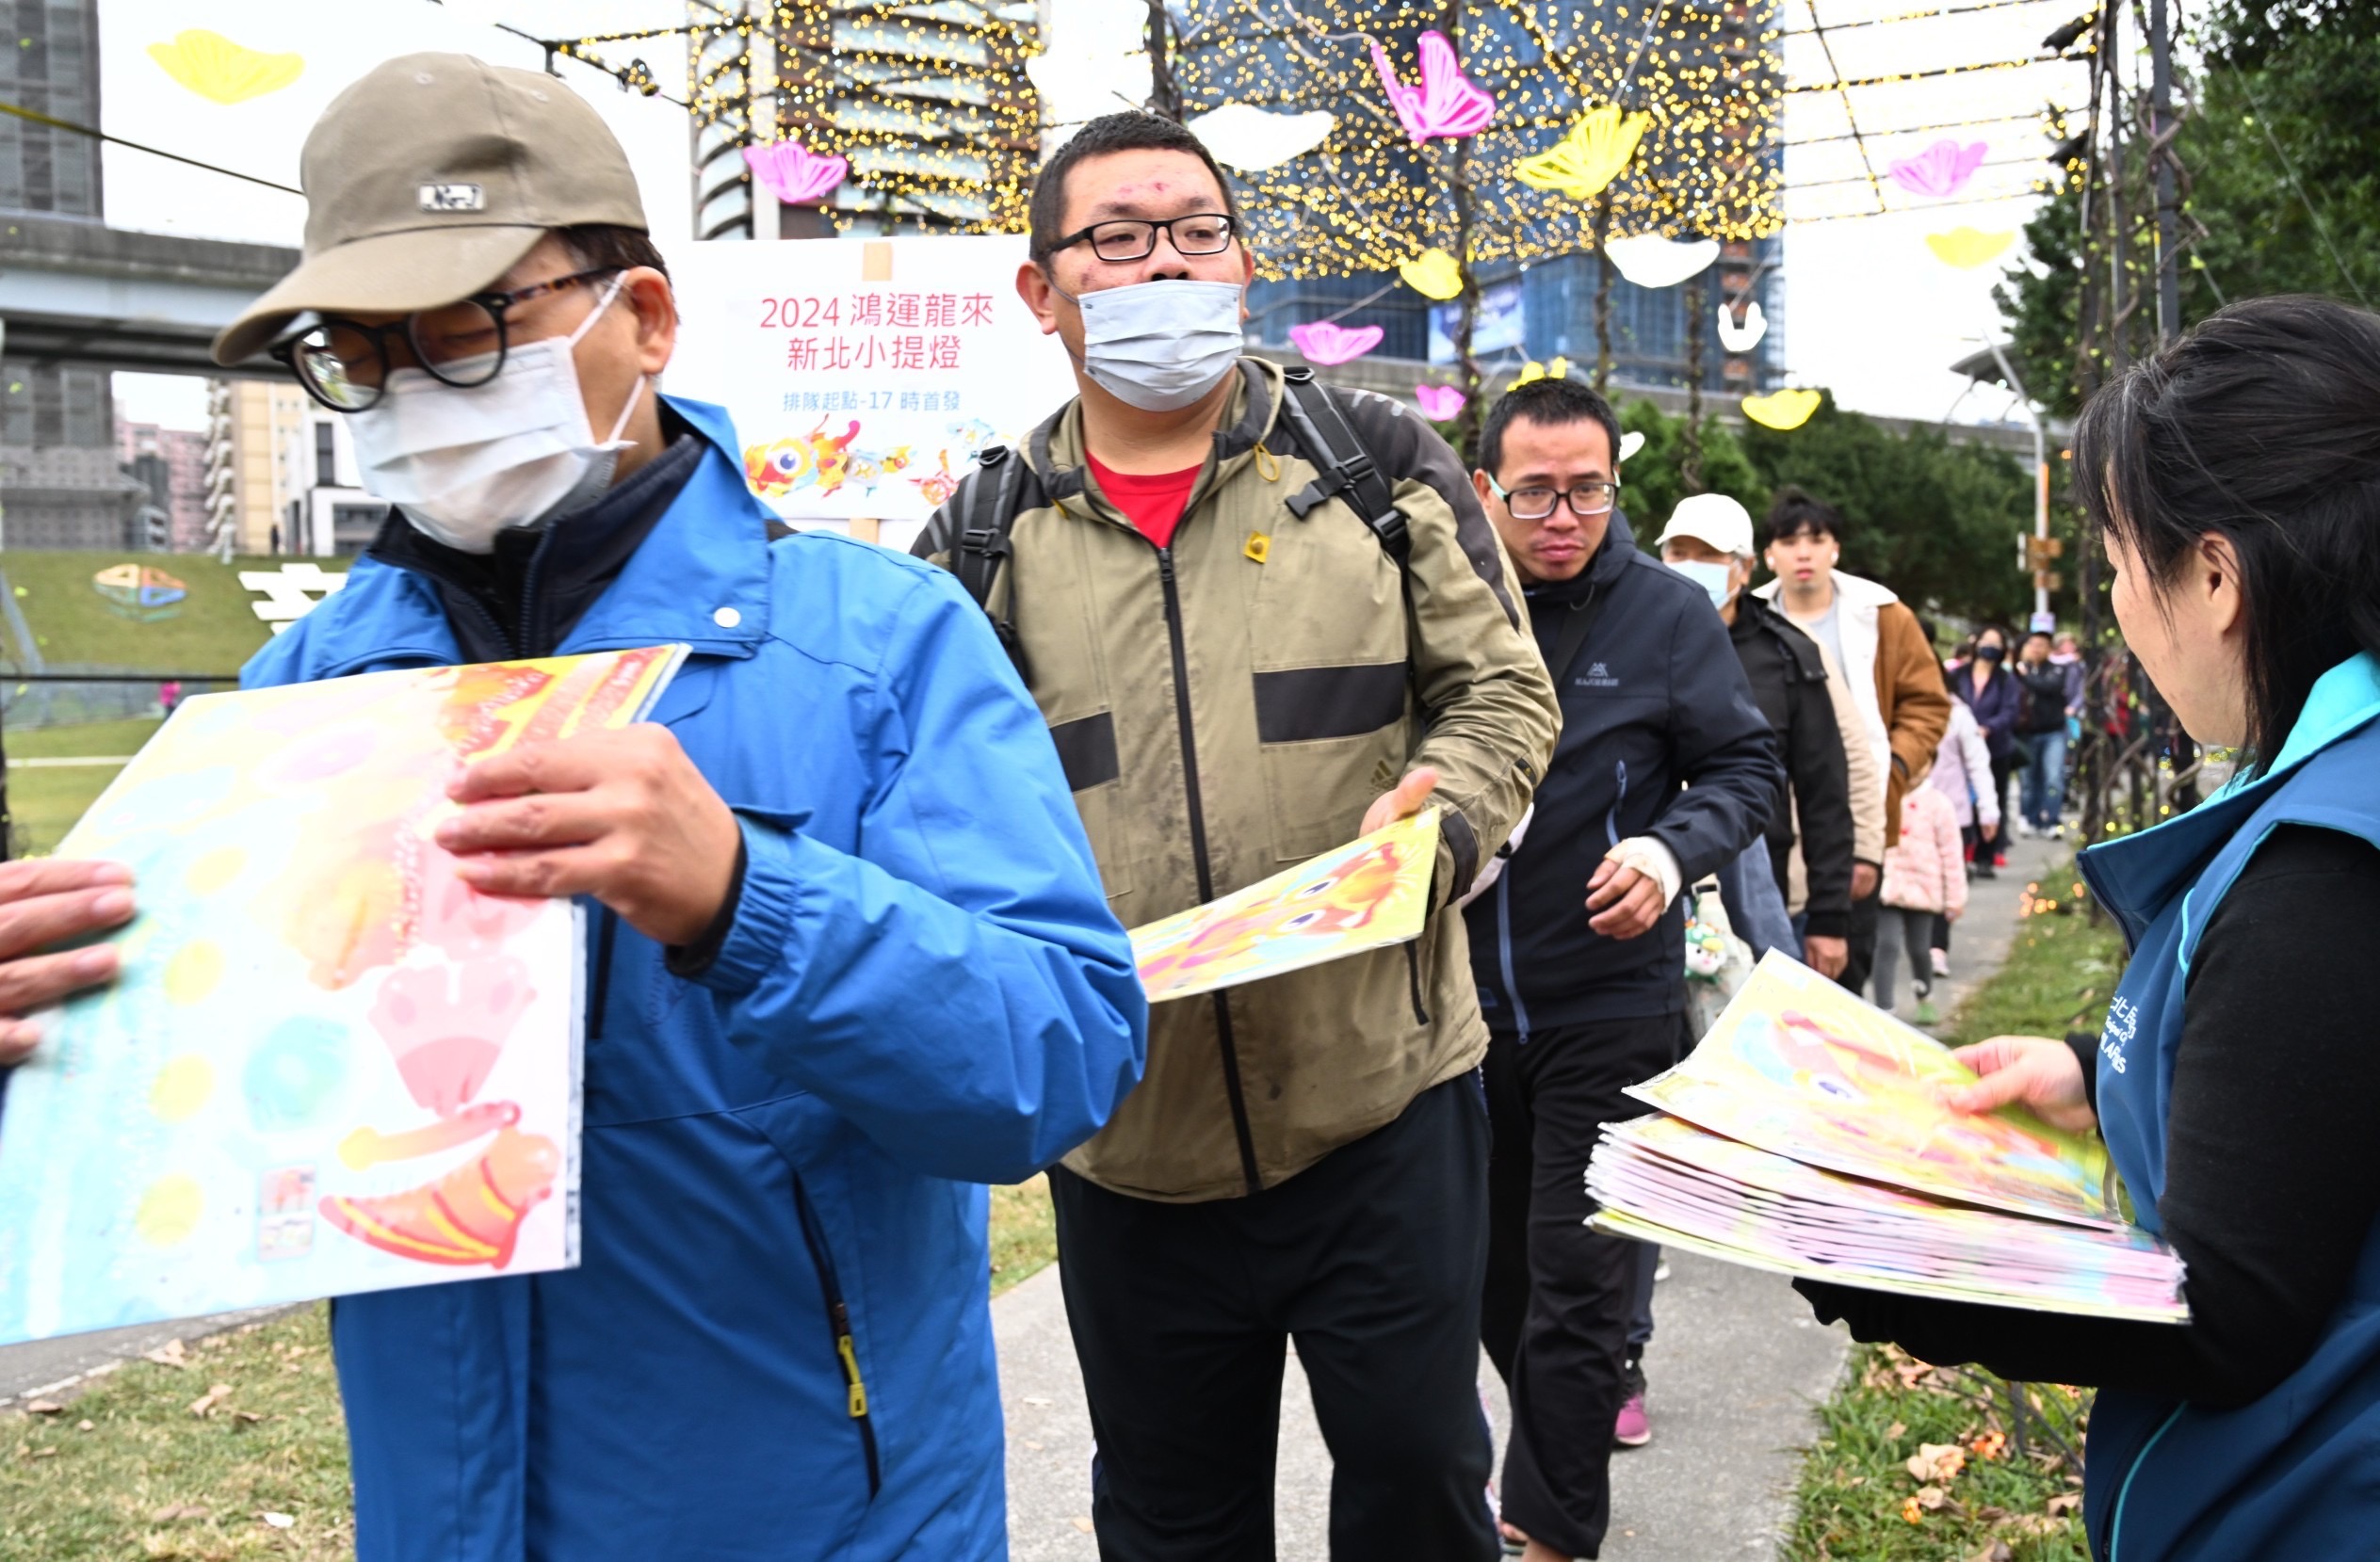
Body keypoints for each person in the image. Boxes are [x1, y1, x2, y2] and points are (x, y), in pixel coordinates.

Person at [0, 56, 1153, 1560]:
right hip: (446, 1507)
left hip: (828, 1517)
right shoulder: (297, 694)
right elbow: (219, 1132)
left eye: (469, 334)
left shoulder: (877, 641)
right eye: (362, 356)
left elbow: (1056, 1057)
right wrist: (64, 1041)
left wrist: (750, 895)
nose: (415, 393)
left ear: (647, 318)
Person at [914, 112, 1558, 1560]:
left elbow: (1503, 688)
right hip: (1130, 1142)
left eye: (1197, 232)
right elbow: (935, 808)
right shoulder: (978, 542)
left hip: (1379, 1095)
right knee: (1169, 1514)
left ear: (1243, 262)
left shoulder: (1370, 462)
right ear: (1043, 290)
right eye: (1119, 239)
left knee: (1414, 1482)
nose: (1165, 267)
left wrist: (1446, 812)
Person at [1797, 295, 2380, 1560]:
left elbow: (2223, 1311)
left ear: (2215, 576)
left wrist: (1885, 1254)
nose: (2114, 601)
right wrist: (2086, 1060)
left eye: (2117, 563)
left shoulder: (2325, 868)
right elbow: (2313, 1081)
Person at [1464, 380, 1781, 1556]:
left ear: (1614, 483)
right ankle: (1548, 1463)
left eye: (1586, 490)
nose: (1562, 516)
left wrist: (1664, 845)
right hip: (1457, 1016)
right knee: (1495, 1284)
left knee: (1581, 1286)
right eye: (1535, 491)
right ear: (1486, 490)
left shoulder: (1665, 615)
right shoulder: (1444, 607)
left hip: (1611, 1001)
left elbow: (1745, 771)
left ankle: (1546, 1533)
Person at [1755, 491, 1951, 995]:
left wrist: (1897, 768)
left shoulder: (1883, 614)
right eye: (1789, 541)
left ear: (1834, 549)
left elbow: (1927, 703)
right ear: (1768, 554)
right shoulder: (1748, 617)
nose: (1803, 553)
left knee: (1846, 963)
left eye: (1815, 540)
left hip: (1856, 807)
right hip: (1771, 814)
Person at [1658, 491, 1856, 979]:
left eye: (1708, 556)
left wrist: (1830, 915)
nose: (1691, 566)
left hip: (1764, 895)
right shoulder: (1636, 641)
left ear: (1744, 569)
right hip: (1654, 886)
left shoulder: (1786, 656)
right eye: (1678, 553)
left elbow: (1824, 789)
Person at [1926, 668, 1999, 979]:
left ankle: (1936, 947)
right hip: (1907, 814)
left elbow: (1978, 764)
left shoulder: (1958, 715)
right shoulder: (1897, 707)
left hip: (1952, 813)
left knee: (1945, 881)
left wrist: (1988, 810)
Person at [1875, 778, 1965, 1024]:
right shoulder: (1885, 793)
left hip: (1924, 890)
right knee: (1886, 945)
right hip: (1889, 887)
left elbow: (1951, 852)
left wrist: (1954, 897)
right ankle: (1884, 1008)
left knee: (1919, 949)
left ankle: (1925, 995)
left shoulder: (1939, 804)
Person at [1952, 625, 2020, 860]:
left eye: (1996, 643)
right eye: (1986, 641)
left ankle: (1987, 853)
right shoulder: (1958, 674)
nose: (1989, 647)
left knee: (1992, 798)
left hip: (1995, 748)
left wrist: (1988, 728)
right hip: (1960, 749)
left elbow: (2010, 712)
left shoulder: (2005, 679)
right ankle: (1962, 851)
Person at [2013, 630, 2073, 835]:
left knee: (2053, 777)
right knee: (2029, 780)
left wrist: (2026, 676)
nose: (2036, 649)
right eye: (2033, 644)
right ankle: (2030, 817)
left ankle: (2052, 820)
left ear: (2049, 649)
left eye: (2041, 645)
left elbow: (2049, 687)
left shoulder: (2056, 670)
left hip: (2053, 732)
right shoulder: (2018, 671)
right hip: (2028, 733)